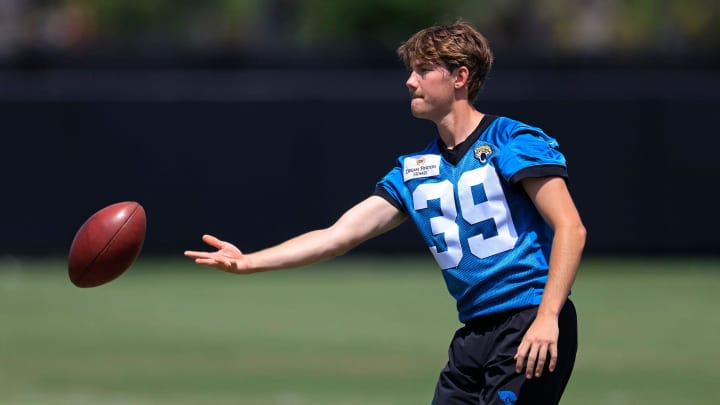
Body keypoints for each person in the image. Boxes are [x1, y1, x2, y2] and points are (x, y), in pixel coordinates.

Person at [184, 19, 586, 405]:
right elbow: (337, 236)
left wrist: (548, 316)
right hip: (473, 334)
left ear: (460, 77)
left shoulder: (511, 139)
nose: (410, 81)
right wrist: (249, 262)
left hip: (528, 319)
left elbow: (571, 227)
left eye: (424, 70)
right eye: (411, 71)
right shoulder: (414, 170)